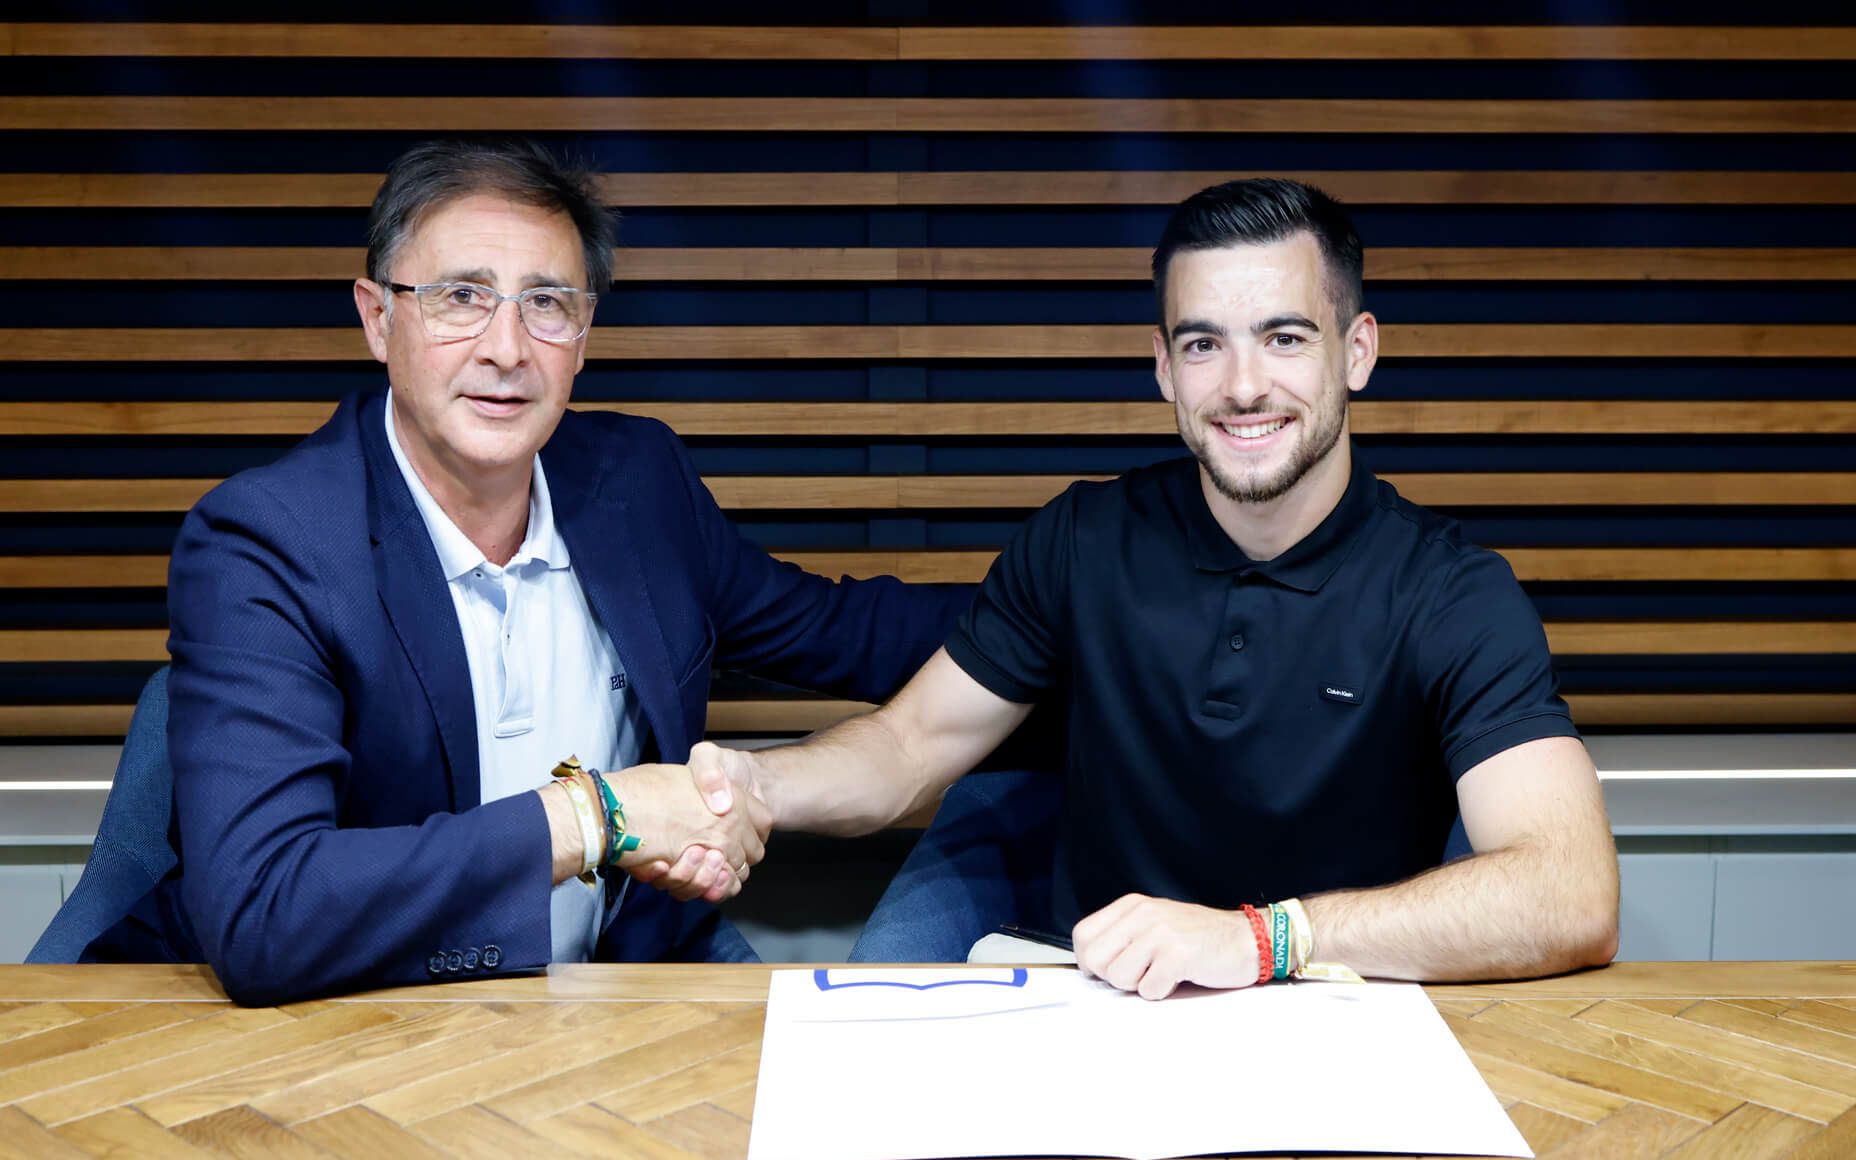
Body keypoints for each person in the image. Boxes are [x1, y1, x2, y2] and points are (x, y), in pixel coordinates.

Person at [689, 178, 1621, 998]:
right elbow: (903, 748)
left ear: (1358, 352)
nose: (1245, 386)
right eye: (1205, 345)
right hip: (1098, 1004)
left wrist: (1262, 939)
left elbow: (1571, 891)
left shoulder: (1450, 591)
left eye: (1285, 337)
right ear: (1165, 368)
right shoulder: (1085, 538)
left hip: (1335, 1005)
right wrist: (754, 785)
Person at [86, 138, 965, 1005]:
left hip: (614, 986)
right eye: (461, 297)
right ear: (377, 317)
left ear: (582, 336)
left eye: (546, 303)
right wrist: (599, 817)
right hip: (358, 1015)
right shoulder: (269, 540)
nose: (507, 348)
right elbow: (265, 913)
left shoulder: (636, 482)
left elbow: (850, 635)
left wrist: (1076, 595)